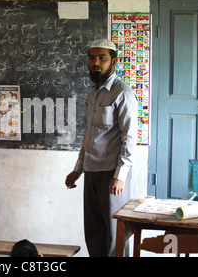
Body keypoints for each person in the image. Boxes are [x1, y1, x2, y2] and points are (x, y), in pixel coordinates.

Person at [65, 39, 137, 257]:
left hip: (112, 174)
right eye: (92, 58)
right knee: (94, 232)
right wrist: (78, 169)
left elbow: (130, 136)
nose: (96, 62)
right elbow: (90, 134)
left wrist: (120, 175)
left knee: (116, 233)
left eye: (102, 58)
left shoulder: (122, 93)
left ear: (113, 62)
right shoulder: (92, 95)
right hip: (92, 171)